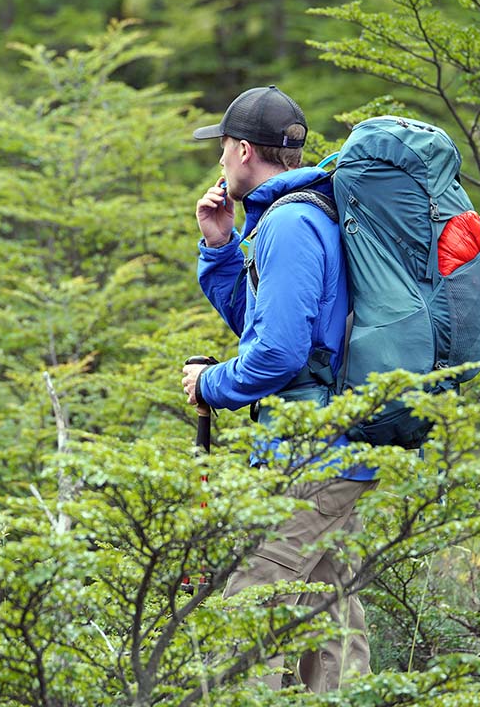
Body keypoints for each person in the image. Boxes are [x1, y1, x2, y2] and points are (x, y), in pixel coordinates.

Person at [180, 86, 377, 692]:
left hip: (312, 447)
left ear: (242, 150)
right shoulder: (295, 215)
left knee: (248, 601)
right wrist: (220, 247)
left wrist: (210, 384)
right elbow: (271, 328)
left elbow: (279, 353)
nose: (218, 164)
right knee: (330, 609)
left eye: (221, 150)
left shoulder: (291, 224)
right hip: (332, 442)